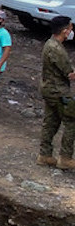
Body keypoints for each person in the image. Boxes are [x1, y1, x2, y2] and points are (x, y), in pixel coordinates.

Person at [39, 15, 75, 169]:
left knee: (51, 121)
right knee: (71, 121)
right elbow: (69, 73)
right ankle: (65, 157)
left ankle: (45, 154)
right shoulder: (56, 49)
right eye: (70, 28)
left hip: (49, 89)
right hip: (58, 91)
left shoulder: (50, 44)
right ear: (64, 31)